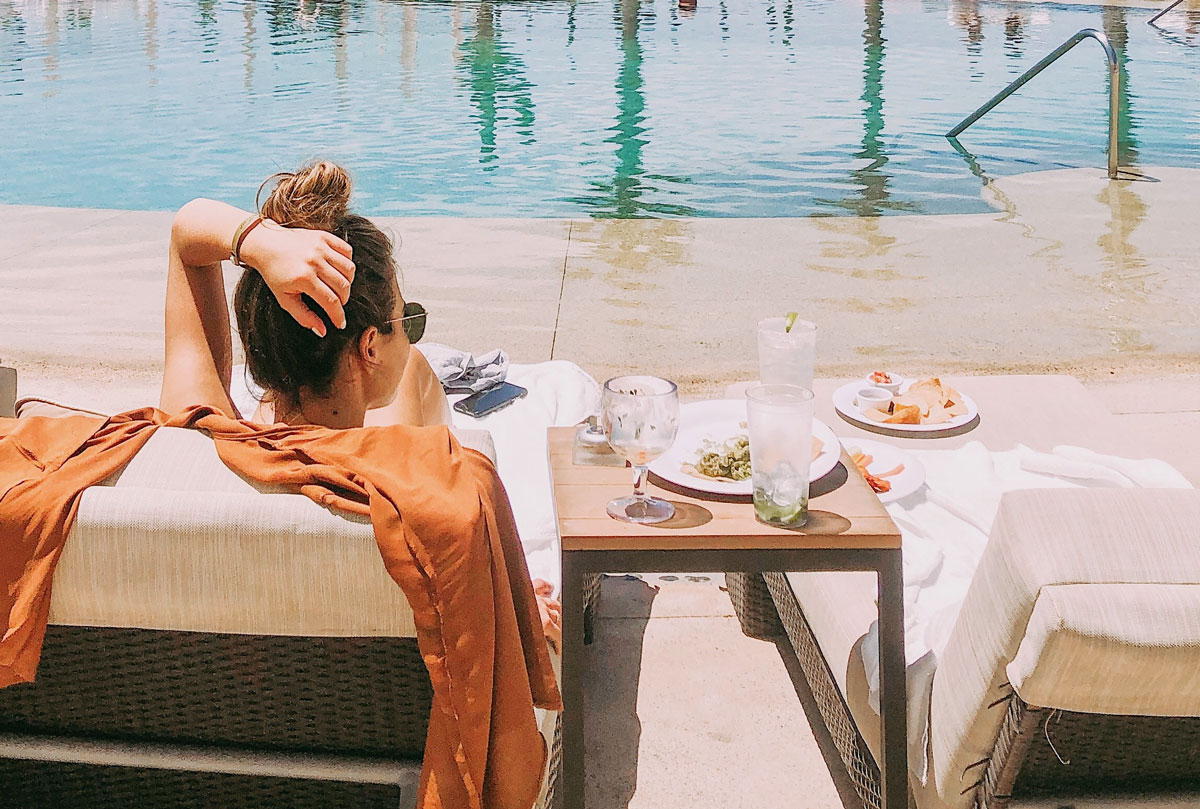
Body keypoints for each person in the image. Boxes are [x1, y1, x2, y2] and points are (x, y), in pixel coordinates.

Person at [160, 160, 562, 646]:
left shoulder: (190, 436)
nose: (409, 336)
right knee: (413, 373)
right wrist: (520, 606)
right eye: (406, 321)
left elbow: (187, 236)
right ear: (370, 347)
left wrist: (263, 243)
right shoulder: (423, 499)